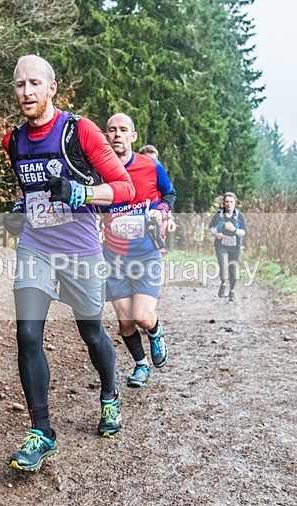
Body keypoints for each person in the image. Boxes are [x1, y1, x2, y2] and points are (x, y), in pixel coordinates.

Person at [2, 55, 135, 472]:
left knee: (92, 334)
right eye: (20, 84)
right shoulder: (13, 140)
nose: (27, 92)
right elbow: (32, 191)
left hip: (80, 251)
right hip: (35, 247)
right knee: (27, 334)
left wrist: (80, 193)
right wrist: (19, 207)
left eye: (35, 83)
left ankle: (109, 395)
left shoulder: (80, 131)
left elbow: (124, 188)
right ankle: (42, 432)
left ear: (51, 88)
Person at [102, 114, 176, 387]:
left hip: (146, 253)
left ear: (133, 136)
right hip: (114, 254)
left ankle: (156, 334)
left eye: (123, 130)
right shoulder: (100, 172)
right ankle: (141, 366)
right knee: (125, 323)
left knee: (142, 316)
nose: (117, 134)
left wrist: (161, 211)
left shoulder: (150, 166)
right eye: (112, 130)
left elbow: (169, 193)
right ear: (106, 136)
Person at [210, 192, 247, 302]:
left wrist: (234, 230)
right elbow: (211, 227)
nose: (229, 204)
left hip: (235, 245)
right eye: (227, 202)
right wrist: (216, 234)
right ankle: (223, 283)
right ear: (224, 203)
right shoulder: (219, 215)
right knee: (223, 266)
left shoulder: (239, 216)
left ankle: (232, 291)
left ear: (235, 203)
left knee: (233, 268)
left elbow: (244, 232)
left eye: (231, 202)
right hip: (220, 244)